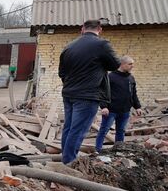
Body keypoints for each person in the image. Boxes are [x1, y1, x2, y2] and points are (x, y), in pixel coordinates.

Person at [59, 19, 120, 164]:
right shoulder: (101, 45)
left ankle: (66, 159)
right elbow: (115, 64)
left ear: (82, 29)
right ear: (100, 29)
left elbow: (61, 73)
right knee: (77, 131)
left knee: (68, 128)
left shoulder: (69, 46)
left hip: (68, 93)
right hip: (87, 96)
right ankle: (69, 163)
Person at [94, 56, 143, 152]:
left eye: (133, 64)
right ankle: (97, 150)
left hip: (125, 111)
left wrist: (138, 107)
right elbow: (102, 92)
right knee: (104, 131)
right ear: (122, 64)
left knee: (121, 131)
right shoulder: (110, 77)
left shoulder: (131, 78)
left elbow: (133, 94)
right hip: (111, 110)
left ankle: (118, 151)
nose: (132, 66)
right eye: (130, 64)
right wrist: (104, 107)